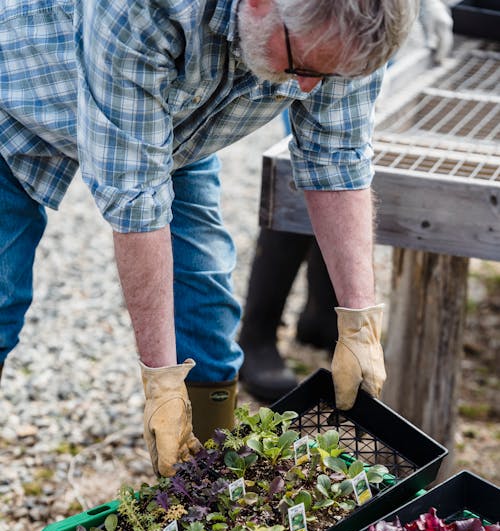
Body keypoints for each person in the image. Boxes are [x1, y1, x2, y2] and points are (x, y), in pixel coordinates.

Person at [0, 0, 417, 477]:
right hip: (21, 89)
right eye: (301, 67)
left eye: (328, 76)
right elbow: (136, 198)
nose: (308, 88)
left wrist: (360, 320)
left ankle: (198, 497)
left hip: (174, 120)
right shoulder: (141, 8)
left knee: (207, 329)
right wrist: (160, 382)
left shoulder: (349, 25)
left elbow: (337, 155)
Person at [239, 0, 454, 402]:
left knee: (347, 158)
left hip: (369, 21)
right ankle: (257, 336)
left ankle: (323, 316)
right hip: (315, 18)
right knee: (308, 164)